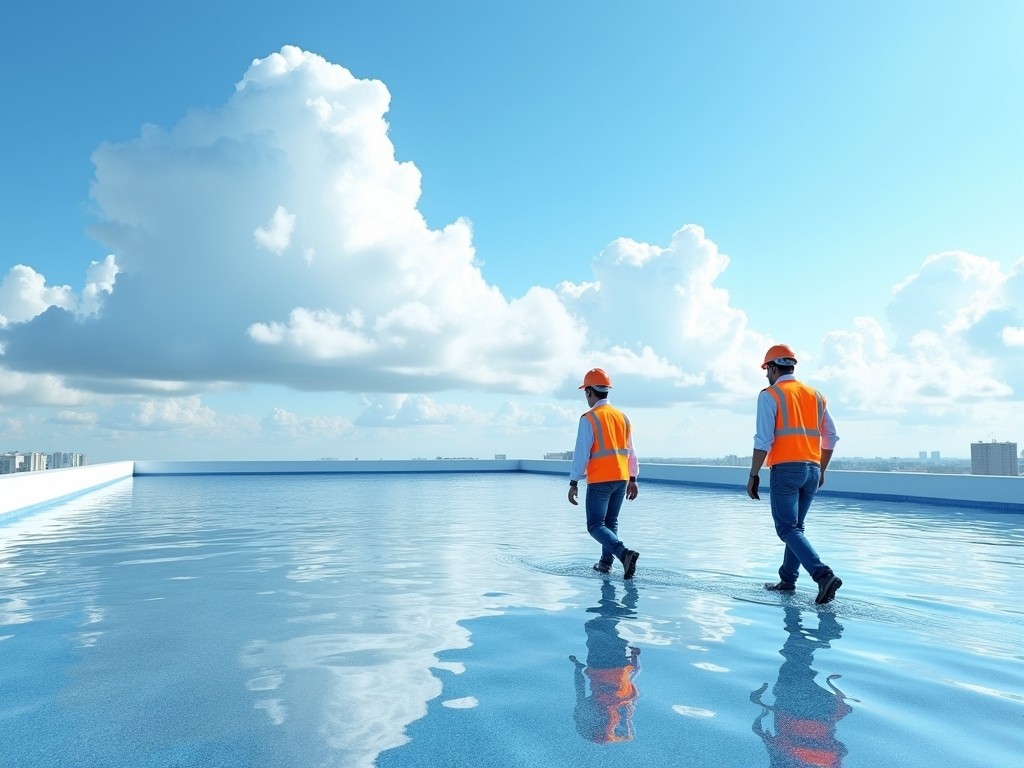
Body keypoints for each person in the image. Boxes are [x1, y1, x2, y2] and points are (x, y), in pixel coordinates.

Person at [747, 345, 842, 605]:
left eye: (767, 370)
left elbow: (763, 439)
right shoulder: (816, 395)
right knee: (796, 528)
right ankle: (787, 580)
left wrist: (753, 474)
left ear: (773, 368)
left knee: (787, 528)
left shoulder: (770, 394)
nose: (766, 375)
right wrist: (821, 469)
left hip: (786, 470)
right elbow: (831, 436)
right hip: (812, 469)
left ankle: (822, 575)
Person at [750, 605, 853, 767]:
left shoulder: (831, 763)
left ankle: (820, 626)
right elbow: (767, 739)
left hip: (826, 710)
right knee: (793, 659)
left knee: (798, 662)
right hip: (791, 706)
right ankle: (799, 616)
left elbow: (840, 748)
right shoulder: (784, 762)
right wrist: (758, 706)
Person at [567, 368, 640, 579]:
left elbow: (581, 453)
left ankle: (624, 554)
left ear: (589, 391)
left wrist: (573, 481)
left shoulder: (589, 418)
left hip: (600, 480)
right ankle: (605, 564)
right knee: (610, 523)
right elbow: (631, 451)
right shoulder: (622, 417)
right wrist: (633, 478)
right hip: (622, 478)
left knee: (595, 525)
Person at [569, 580, 641, 743]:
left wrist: (636, 661)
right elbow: (579, 690)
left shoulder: (623, 704)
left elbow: (631, 681)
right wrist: (577, 667)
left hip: (618, 665)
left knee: (605, 621)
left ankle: (621, 589)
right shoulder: (607, 708)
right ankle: (613, 585)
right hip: (599, 664)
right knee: (600, 623)